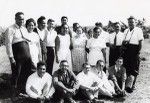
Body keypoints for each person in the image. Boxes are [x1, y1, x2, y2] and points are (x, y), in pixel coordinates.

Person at [5, 12, 33, 93]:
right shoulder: (10, 29)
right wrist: (11, 57)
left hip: (26, 55)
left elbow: (27, 39)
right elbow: (8, 44)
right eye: (20, 19)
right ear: (15, 19)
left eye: (23, 19)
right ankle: (13, 92)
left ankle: (24, 90)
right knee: (16, 73)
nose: (22, 20)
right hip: (17, 55)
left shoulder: (24, 29)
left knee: (26, 72)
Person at [123, 16, 144, 93]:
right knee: (127, 67)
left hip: (135, 50)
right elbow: (124, 41)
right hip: (126, 51)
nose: (130, 23)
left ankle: (132, 85)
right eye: (129, 22)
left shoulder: (139, 30)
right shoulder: (126, 30)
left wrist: (138, 52)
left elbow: (141, 42)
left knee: (134, 68)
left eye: (132, 22)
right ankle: (127, 85)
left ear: (135, 22)